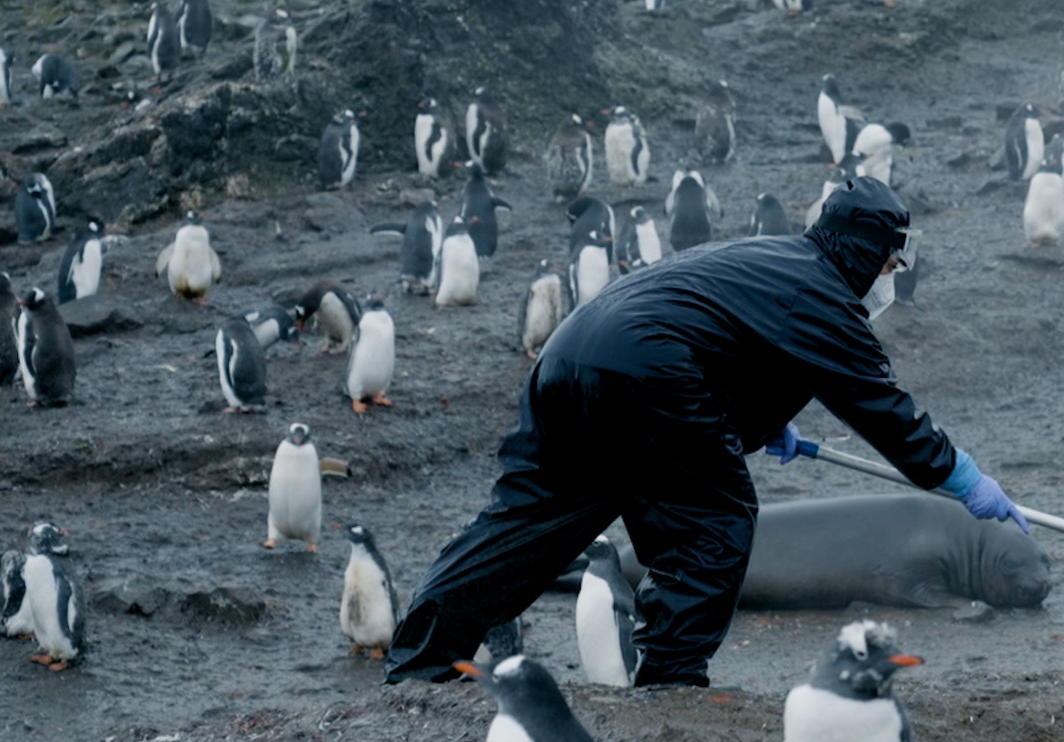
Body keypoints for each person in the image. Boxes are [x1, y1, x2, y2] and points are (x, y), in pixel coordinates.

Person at [383, 177, 1025, 687]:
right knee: (714, 522)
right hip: (643, 371)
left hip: (568, 358)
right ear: (864, 252)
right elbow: (882, 408)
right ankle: (670, 677)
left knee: (531, 519)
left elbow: (722, 339)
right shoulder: (824, 294)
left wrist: (759, 423)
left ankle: (419, 661)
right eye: (886, 265)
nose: (886, 279)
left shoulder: (771, 261)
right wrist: (958, 477)